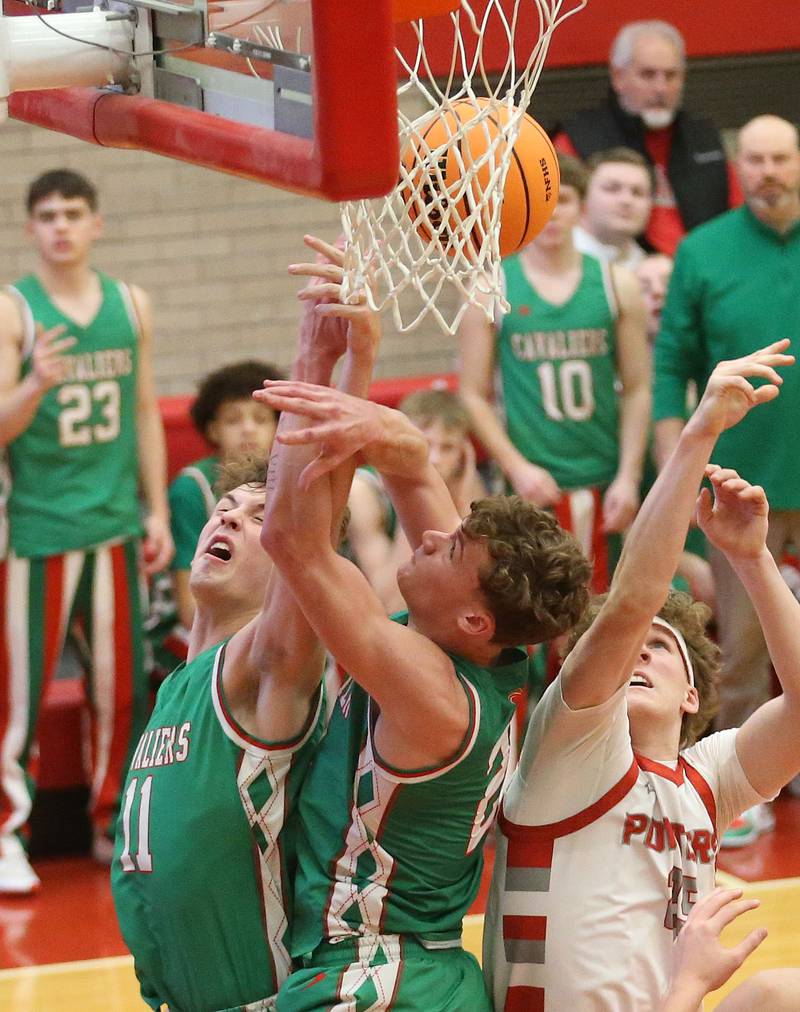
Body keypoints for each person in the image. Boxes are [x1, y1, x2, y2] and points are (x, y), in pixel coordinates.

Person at [483, 339, 800, 1011]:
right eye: (628, 648)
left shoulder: (705, 780)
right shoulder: (570, 749)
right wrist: (698, 432)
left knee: (781, 991)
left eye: (660, 647)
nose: (637, 653)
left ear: (693, 694)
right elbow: (633, 600)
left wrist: (751, 560)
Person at [256, 372, 591, 1007]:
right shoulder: (487, 649)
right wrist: (363, 353)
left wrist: (315, 357)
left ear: (474, 618)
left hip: (374, 978)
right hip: (428, 970)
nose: (432, 537)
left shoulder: (433, 694)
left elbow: (289, 540)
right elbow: (411, 469)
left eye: (450, 550)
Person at [111, 235, 379, 1011]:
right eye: (225, 507)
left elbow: (314, 516)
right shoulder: (181, 684)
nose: (228, 516)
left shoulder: (265, 671)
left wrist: (321, 357)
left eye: (260, 517)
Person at [0, 169, 174, 893]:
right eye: (47, 215)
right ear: (31, 228)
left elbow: (142, 414)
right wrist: (35, 381)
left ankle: (113, 823)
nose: (61, 226)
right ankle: (9, 833)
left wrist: (156, 509)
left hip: (113, 527)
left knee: (121, 690)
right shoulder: (15, 311)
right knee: (18, 697)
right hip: (35, 533)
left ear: (97, 222)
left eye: (73, 212)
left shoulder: (131, 305)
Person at [653, 116, 800, 848]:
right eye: (756, 159)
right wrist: (670, 476)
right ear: (738, 166)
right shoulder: (703, 252)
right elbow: (668, 368)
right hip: (743, 489)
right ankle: (742, 793)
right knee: (741, 648)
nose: (768, 170)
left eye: (780, 157)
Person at [459, 154, 651, 592]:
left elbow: (639, 387)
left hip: (604, 477)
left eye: (560, 200)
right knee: (533, 616)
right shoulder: (491, 286)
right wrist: (517, 467)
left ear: (580, 207)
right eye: (536, 201)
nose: (550, 212)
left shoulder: (615, 284)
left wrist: (630, 475)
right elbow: (472, 394)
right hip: (532, 482)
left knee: (608, 609)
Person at [553, 20, 741, 255]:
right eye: (648, 75)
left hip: (705, 269)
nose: (661, 88)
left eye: (671, 76)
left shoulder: (705, 136)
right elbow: (555, 220)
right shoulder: (577, 138)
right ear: (618, 77)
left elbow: (738, 218)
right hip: (614, 269)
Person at [148, 359, 283, 680]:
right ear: (212, 429)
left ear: (280, 426)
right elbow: (188, 609)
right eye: (234, 420)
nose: (248, 428)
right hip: (186, 631)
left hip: (261, 617)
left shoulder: (289, 482)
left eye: (261, 418)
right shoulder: (191, 489)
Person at [346, 388, 485, 613]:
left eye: (448, 447)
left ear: (463, 454)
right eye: (425, 444)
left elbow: (479, 590)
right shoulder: (362, 491)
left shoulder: (464, 481)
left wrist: (462, 500)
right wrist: (413, 498)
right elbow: (389, 604)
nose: (436, 459)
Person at [573, 147, 653, 270]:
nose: (626, 200)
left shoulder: (650, 271)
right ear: (583, 196)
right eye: (612, 189)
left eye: (637, 192)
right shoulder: (552, 256)